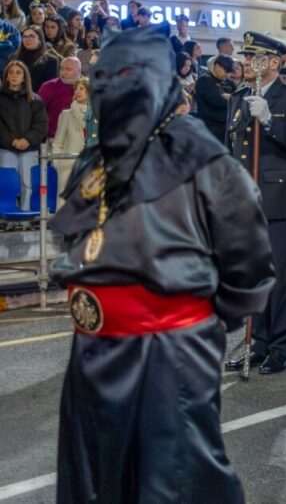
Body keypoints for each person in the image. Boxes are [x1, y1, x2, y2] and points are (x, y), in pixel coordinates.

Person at [49, 28, 274, 503]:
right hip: (91, 353)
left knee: (172, 477)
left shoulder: (206, 159)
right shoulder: (97, 157)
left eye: (123, 77)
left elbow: (247, 261)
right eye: (101, 77)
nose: (109, 88)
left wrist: (190, 320)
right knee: (96, 475)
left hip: (168, 351)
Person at [223, 32, 286, 375]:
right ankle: (257, 343)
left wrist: (269, 121)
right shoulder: (239, 96)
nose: (246, 62)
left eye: (253, 57)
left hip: (278, 202)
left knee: (281, 278)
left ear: (274, 63)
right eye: (246, 56)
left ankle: (280, 346)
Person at [0, 60, 48, 209]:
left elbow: (41, 125)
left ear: (24, 77)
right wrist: (11, 140)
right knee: (8, 184)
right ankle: (8, 217)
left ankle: (25, 217)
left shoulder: (35, 100)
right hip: (6, 148)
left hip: (29, 149)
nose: (14, 75)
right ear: (6, 76)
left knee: (28, 184)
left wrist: (27, 140)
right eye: (11, 72)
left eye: (18, 72)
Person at [51, 77, 90, 207]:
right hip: (68, 166)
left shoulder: (97, 116)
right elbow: (57, 143)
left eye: (81, 89)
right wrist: (58, 163)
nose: (77, 92)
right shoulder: (66, 115)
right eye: (76, 89)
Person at [38, 56, 82, 139]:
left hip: (80, 138)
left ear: (79, 71)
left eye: (68, 69)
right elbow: (37, 112)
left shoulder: (88, 87)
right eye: (62, 68)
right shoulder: (48, 87)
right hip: (53, 137)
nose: (64, 72)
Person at [194, 54, 236, 139]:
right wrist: (231, 99)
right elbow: (217, 102)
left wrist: (230, 97)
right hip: (210, 127)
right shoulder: (205, 79)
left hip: (226, 126)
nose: (227, 75)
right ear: (217, 66)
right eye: (225, 71)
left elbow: (238, 97)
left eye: (229, 72)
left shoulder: (229, 82)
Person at [12, 25, 60, 90]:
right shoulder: (14, 58)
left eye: (31, 36)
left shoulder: (51, 61)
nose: (27, 39)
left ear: (40, 40)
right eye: (25, 36)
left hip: (39, 98)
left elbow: (51, 87)